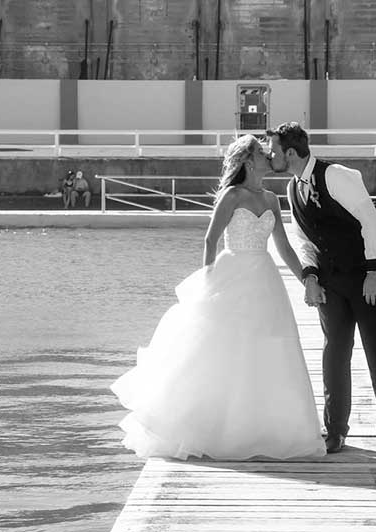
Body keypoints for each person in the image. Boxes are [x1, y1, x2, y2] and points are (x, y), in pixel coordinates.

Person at [111, 134, 326, 460]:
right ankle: (220, 430)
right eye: (260, 151)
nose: (268, 155)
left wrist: (307, 281)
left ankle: (267, 428)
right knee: (226, 351)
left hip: (265, 279)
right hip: (232, 275)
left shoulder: (271, 198)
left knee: (270, 350)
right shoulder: (231, 195)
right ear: (248, 160)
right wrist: (208, 282)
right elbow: (211, 240)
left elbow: (283, 248)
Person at [266, 122, 376, 455]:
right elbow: (303, 238)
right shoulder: (292, 188)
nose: (270, 157)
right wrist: (310, 276)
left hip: (367, 274)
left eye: (273, 151)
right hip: (330, 279)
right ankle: (336, 430)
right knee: (335, 351)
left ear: (290, 152)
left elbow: (369, 221)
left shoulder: (336, 176)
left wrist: (374, 271)